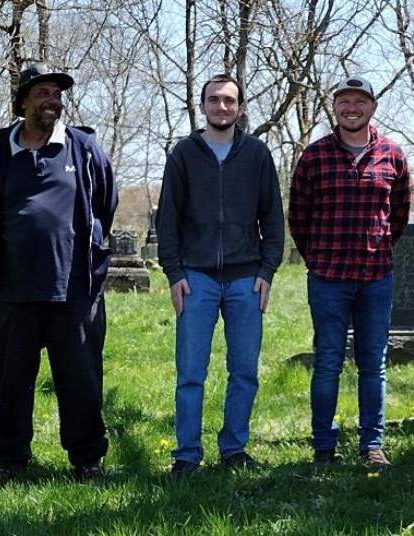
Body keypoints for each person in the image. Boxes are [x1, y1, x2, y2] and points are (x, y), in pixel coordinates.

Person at [0, 63, 117, 483]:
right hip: (13, 289)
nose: (52, 100)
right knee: (13, 379)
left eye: (57, 93)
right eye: (42, 93)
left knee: (82, 379)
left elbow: (103, 205)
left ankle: (87, 459)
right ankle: (11, 458)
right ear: (22, 102)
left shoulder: (83, 149)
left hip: (73, 289)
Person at [156, 73, 285, 476]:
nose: (222, 107)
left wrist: (267, 269)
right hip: (196, 279)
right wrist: (174, 273)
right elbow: (168, 219)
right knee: (191, 373)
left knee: (244, 370)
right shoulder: (183, 154)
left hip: (247, 278)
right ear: (204, 106)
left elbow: (274, 219)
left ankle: (234, 449)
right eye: (214, 100)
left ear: (241, 107)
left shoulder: (258, 155)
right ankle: (186, 455)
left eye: (230, 100)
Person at [288, 76, 411, 470]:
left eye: (360, 101)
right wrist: (318, 257)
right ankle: (323, 445)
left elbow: (400, 215)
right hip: (327, 276)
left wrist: (376, 248)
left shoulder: (393, 155)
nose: (351, 108)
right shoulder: (314, 156)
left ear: (372, 107)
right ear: (334, 107)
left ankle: (372, 445)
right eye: (344, 101)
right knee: (328, 361)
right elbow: (299, 218)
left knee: (373, 363)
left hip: (376, 276)